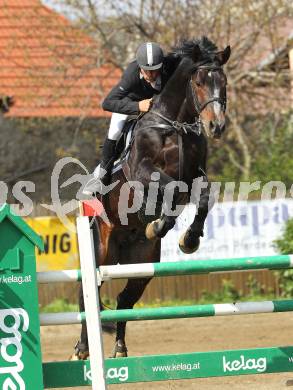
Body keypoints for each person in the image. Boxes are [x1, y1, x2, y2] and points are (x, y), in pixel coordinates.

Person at [95, 41, 176, 184]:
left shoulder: (168, 66)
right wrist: (137, 106)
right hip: (130, 104)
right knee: (115, 132)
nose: (151, 75)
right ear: (140, 67)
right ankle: (103, 174)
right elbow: (107, 103)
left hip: (157, 109)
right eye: (146, 70)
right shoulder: (130, 76)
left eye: (155, 70)